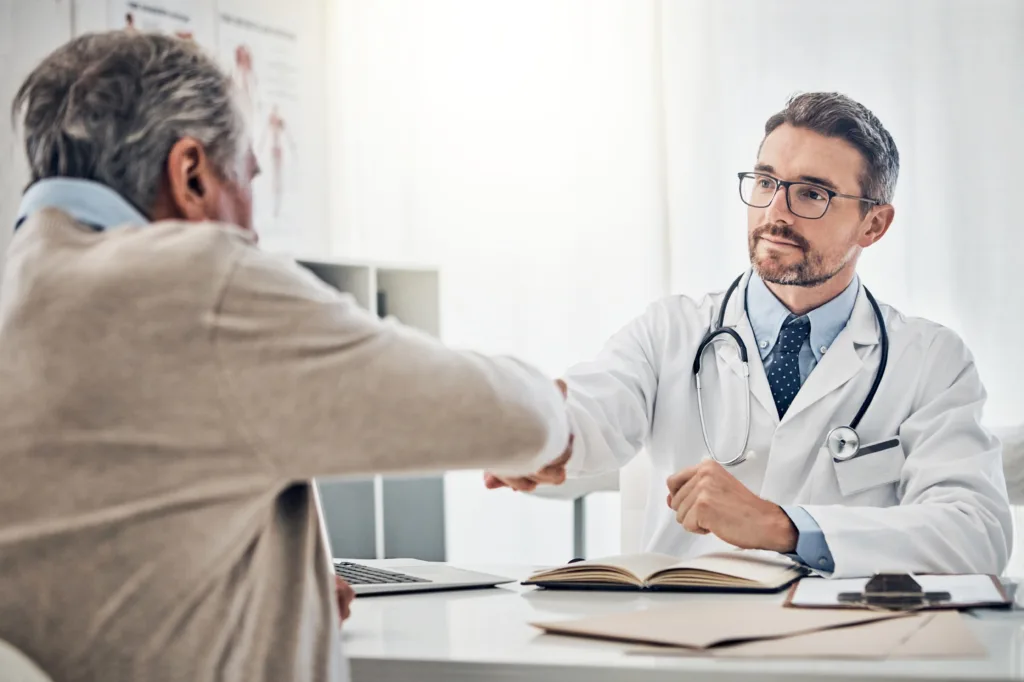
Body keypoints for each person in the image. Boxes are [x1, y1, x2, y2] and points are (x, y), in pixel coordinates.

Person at [0, 31, 570, 682]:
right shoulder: (196, 280)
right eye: (246, 177)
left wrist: (279, 588)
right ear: (190, 174)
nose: (255, 226)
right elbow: (517, 420)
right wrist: (559, 410)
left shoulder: (24, 289)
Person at [486, 92, 1013, 579]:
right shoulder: (671, 331)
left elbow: (976, 533)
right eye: (765, 182)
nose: (775, 213)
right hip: (686, 642)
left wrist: (783, 525)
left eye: (812, 193)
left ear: (873, 225)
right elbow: (593, 410)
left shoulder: (930, 361)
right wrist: (537, 433)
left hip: (844, 646)